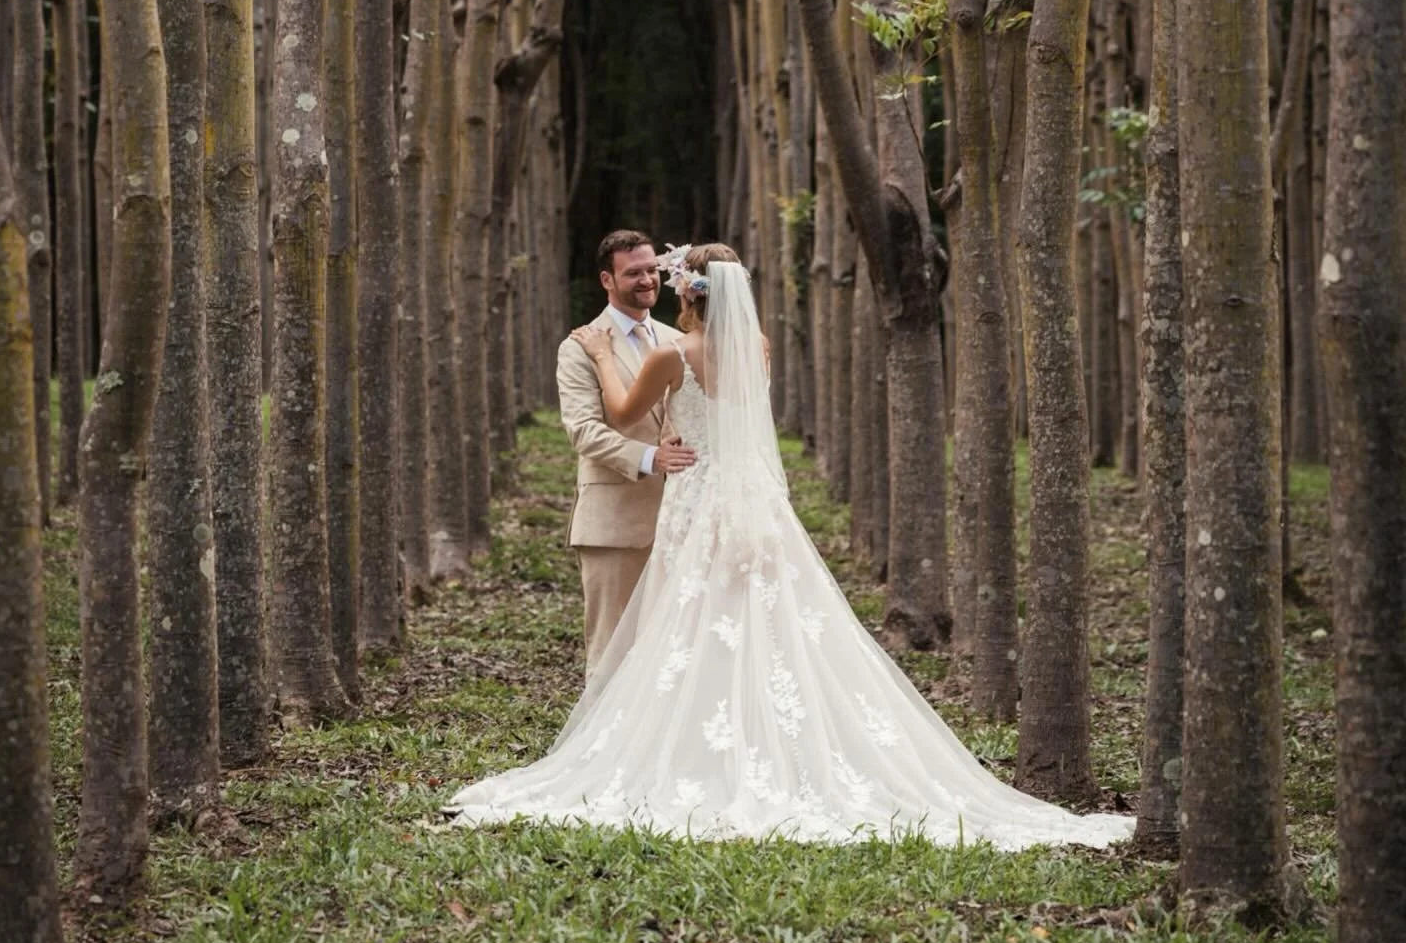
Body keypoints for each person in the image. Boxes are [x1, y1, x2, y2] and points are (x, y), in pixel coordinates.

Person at [453, 242, 1133, 847]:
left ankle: (688, 752)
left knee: (690, 624)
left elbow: (625, 411)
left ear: (689, 293)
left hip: (697, 499)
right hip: (751, 500)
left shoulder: (672, 353)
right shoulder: (759, 350)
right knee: (763, 628)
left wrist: (604, 356)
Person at [556, 230, 697, 675]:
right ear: (607, 280)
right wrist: (649, 457)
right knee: (612, 652)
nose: (647, 280)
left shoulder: (679, 341)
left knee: (673, 654)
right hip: (614, 521)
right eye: (633, 272)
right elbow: (583, 431)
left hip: (680, 520)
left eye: (652, 269)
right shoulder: (580, 346)